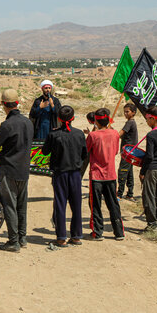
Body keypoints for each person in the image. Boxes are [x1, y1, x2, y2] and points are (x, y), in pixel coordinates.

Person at [0, 89, 34, 252]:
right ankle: (22, 238)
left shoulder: (7, 124)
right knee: (21, 206)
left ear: (3, 104)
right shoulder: (28, 122)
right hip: (24, 169)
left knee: (9, 205)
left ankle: (13, 241)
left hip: (9, 170)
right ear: (17, 103)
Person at [42, 105, 87, 247]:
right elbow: (84, 154)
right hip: (75, 173)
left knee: (60, 204)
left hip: (60, 173)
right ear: (73, 118)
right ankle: (76, 236)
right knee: (76, 204)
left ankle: (61, 237)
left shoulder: (53, 134)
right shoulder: (79, 134)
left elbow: (44, 151)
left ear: (59, 119)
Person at [86, 108, 125, 241]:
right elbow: (114, 152)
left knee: (95, 205)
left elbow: (86, 150)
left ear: (96, 121)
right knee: (113, 204)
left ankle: (98, 232)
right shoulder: (115, 134)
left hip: (96, 175)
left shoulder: (93, 135)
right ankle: (119, 232)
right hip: (111, 174)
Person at [117, 103, 138, 200]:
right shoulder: (130, 122)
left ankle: (119, 194)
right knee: (129, 172)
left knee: (122, 171)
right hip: (130, 152)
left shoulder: (130, 122)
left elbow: (120, 134)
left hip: (128, 152)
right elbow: (122, 136)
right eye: (124, 111)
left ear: (133, 113)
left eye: (127, 111)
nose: (125, 113)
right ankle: (130, 193)